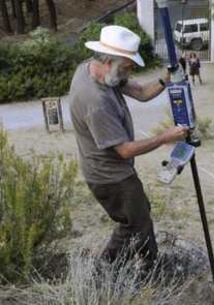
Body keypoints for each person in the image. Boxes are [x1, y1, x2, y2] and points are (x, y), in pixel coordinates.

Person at [68, 25, 188, 268]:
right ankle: (106, 268)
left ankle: (149, 263)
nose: (130, 70)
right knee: (133, 223)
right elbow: (124, 150)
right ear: (108, 60)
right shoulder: (95, 100)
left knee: (140, 214)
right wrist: (164, 137)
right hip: (109, 176)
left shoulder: (99, 71)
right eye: (127, 65)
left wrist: (166, 78)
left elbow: (142, 92)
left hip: (114, 171)